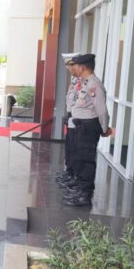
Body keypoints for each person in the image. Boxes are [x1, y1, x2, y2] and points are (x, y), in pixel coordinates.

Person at [62, 54, 112, 207]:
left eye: (75, 65)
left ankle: (85, 195)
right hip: (81, 126)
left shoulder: (94, 85)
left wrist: (104, 129)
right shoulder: (85, 83)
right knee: (80, 159)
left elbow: (102, 111)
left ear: (82, 67)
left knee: (86, 161)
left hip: (89, 127)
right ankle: (79, 189)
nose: (73, 68)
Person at [56, 54, 80, 187]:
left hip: (78, 119)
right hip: (72, 116)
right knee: (69, 146)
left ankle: (73, 174)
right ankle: (69, 171)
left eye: (70, 65)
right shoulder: (75, 80)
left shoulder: (83, 82)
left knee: (75, 148)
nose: (68, 68)